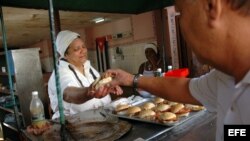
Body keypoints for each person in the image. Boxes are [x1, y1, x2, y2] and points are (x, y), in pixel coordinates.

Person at [105, 1, 250, 141]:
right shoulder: (225, 77)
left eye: (181, 12)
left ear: (212, 6)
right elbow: (184, 89)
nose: (181, 25)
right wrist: (131, 79)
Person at [48, 30, 122, 119]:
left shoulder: (87, 67)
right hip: (74, 124)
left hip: (101, 119)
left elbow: (98, 85)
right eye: (77, 49)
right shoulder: (60, 72)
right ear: (65, 54)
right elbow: (68, 94)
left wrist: (108, 86)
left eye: (83, 47)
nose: (82, 51)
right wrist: (89, 92)